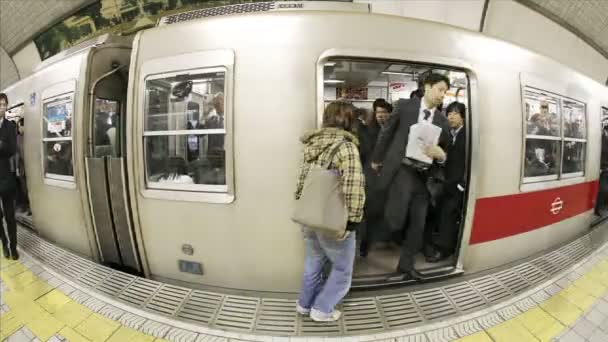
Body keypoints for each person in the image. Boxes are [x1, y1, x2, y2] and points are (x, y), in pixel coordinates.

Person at [370, 73, 451, 279]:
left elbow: (444, 151)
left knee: (418, 223)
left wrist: (441, 157)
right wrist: (377, 159)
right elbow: (386, 133)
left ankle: (406, 267)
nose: (443, 95)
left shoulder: (442, 120)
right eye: (440, 89)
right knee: (394, 219)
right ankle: (368, 239)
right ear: (427, 86)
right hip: (401, 170)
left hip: (424, 177)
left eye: (445, 91)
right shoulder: (405, 106)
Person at [295, 101, 365, 322]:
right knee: (343, 269)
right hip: (333, 221)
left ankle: (304, 305)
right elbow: (353, 185)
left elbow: (301, 183)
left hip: (309, 218)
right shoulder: (346, 147)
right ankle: (323, 309)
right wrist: (353, 221)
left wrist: (303, 207)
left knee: (313, 263)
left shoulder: (312, 144)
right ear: (350, 120)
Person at [426, 102, 466, 262]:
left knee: (448, 215)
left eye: (455, 113)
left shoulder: (468, 134)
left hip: (459, 184)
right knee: (442, 214)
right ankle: (441, 244)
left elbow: (472, 160)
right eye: (449, 113)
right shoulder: (447, 134)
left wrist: (462, 184)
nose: (451, 116)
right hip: (446, 181)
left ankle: (444, 250)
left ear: (463, 116)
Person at [358, 99, 392, 257]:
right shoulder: (367, 130)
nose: (381, 116)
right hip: (370, 176)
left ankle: (380, 239)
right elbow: (364, 153)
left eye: (385, 112)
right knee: (369, 211)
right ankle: (365, 243)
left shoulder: (394, 131)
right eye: (379, 112)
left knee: (381, 210)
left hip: (388, 176)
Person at [0, 93, 19, 260]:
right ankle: (4, 245)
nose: (1, 107)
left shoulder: (10, 126)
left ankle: (14, 247)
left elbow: (12, 149)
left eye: (4, 104)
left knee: (10, 216)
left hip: (5, 177)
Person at [15, 117, 30, 214]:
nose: (19, 129)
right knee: (24, 189)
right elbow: (17, 155)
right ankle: (27, 207)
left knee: (28, 189)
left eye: (20, 126)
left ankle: (30, 208)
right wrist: (16, 168)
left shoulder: (24, 138)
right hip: (22, 169)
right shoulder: (18, 138)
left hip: (28, 168)